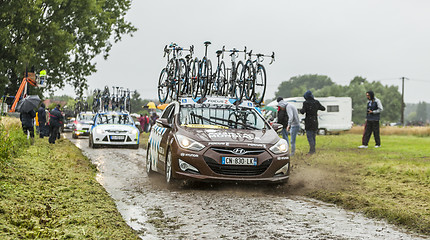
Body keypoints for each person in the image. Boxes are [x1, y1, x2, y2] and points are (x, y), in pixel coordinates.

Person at [300, 90, 326, 154]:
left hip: (308, 121)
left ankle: (312, 151)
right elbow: (323, 108)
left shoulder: (305, 103)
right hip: (315, 121)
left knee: (309, 136)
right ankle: (313, 150)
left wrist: (301, 110)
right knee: (313, 137)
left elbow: (302, 111)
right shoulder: (316, 102)